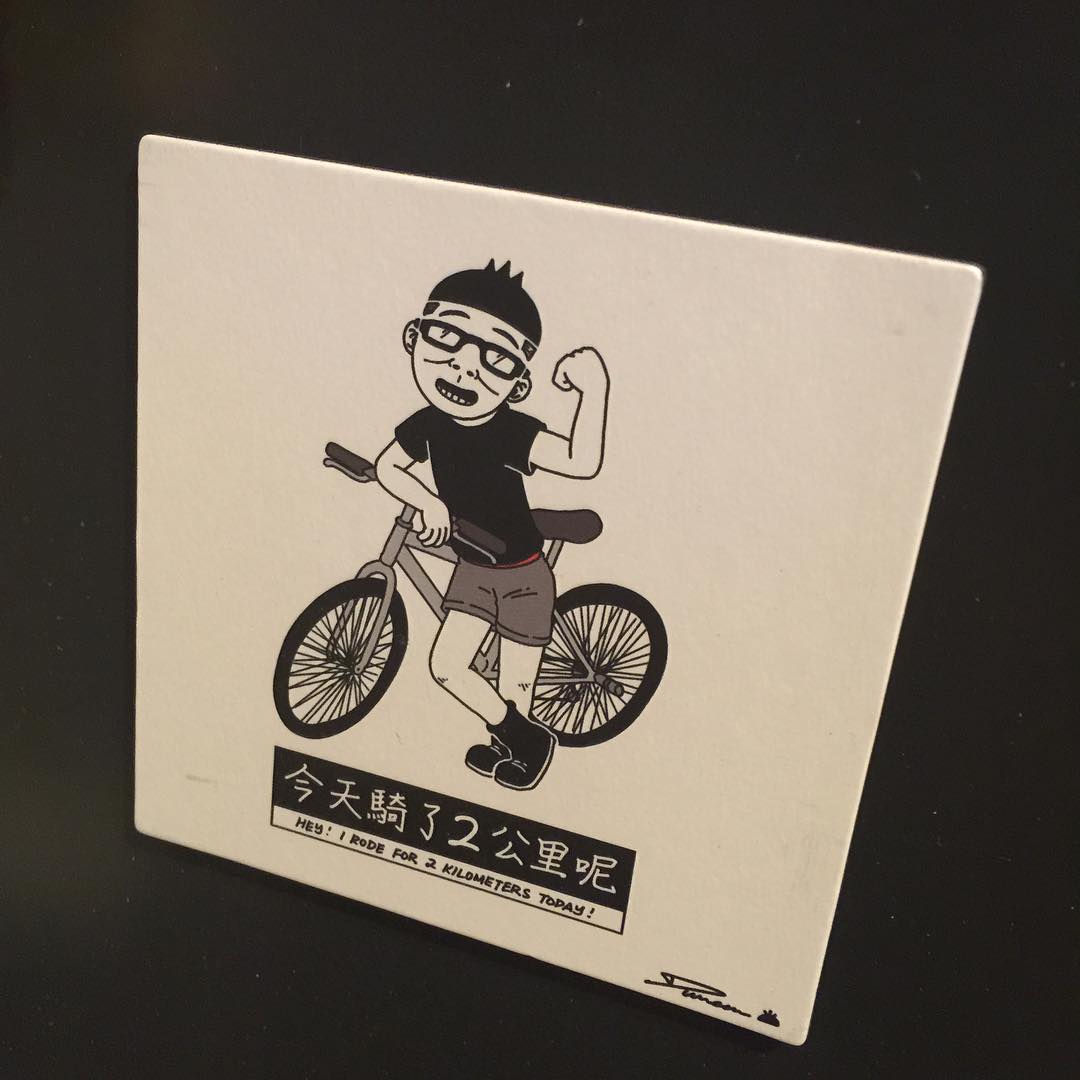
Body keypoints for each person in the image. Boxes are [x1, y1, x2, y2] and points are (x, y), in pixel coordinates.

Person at [374, 260, 609, 790]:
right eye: (446, 336)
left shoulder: (511, 432)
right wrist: (429, 503)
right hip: (474, 567)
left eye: (497, 358)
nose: (465, 367)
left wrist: (593, 390)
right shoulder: (427, 423)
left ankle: (519, 745)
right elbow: (389, 466)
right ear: (413, 338)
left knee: (514, 687)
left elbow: (581, 463)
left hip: (522, 574)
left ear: (518, 386)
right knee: (447, 667)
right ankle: (523, 740)